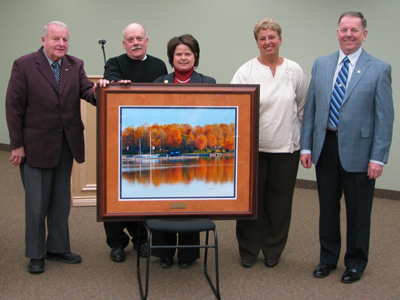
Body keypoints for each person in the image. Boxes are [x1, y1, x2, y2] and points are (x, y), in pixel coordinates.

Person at [300, 12, 394, 283]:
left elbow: (385, 118)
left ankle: (355, 262)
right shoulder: (322, 64)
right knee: (327, 208)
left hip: (361, 152)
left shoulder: (379, 68)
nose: (348, 34)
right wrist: (306, 147)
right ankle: (327, 258)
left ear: (364, 33)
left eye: (354, 30)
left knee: (358, 211)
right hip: (325, 147)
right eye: (344, 30)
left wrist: (378, 158)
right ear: (337, 32)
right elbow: (311, 110)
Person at [5, 21, 98, 274]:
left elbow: (87, 92)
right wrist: (17, 145)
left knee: (60, 201)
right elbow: (13, 108)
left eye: (65, 39)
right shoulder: (24, 64)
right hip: (35, 147)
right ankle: (36, 254)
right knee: (36, 204)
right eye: (56, 39)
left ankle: (57, 248)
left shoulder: (75, 64)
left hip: (66, 144)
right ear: (44, 39)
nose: (61, 44)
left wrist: (103, 91)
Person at [231, 18, 307, 268]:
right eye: (262, 38)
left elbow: (302, 108)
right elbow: (236, 111)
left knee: (280, 203)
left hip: (286, 149)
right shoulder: (246, 71)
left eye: (272, 37)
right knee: (250, 202)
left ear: (280, 39)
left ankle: (273, 249)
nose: (268, 42)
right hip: (252, 150)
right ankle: (249, 250)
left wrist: (301, 142)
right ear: (257, 42)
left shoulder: (294, 70)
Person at [99, 23, 167, 263]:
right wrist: (118, 86)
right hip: (118, 134)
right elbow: (112, 87)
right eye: (130, 39)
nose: (135, 42)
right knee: (115, 190)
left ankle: (141, 239)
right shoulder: (114, 63)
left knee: (141, 188)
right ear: (124, 43)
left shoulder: (159, 65)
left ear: (147, 41)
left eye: (139, 38)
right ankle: (116, 242)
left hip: (147, 133)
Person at [153, 34, 216, 268]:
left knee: (192, 198)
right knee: (165, 197)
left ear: (195, 56)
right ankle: (165, 253)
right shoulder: (160, 82)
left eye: (187, 53)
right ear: (171, 58)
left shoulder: (208, 82)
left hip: (193, 144)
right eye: (178, 54)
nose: (183, 57)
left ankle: (188, 255)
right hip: (170, 142)